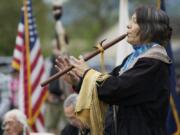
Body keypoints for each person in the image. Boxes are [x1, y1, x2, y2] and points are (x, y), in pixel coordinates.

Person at [55, 6, 172, 135]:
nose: (128, 25)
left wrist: (87, 72)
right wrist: (78, 81)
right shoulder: (133, 59)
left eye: (134, 21)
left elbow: (117, 89)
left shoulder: (153, 62)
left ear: (148, 28)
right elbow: (107, 88)